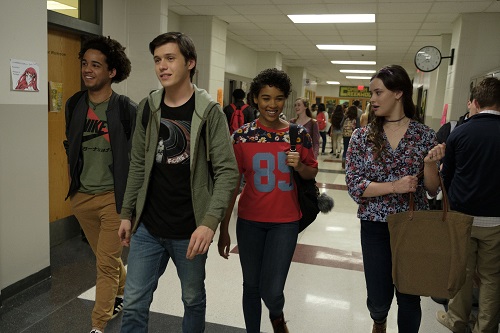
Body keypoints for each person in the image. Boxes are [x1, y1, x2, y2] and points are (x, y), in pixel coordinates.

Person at [117, 32, 239, 333]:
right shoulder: (148, 107)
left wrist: (210, 223)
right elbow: (138, 164)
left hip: (191, 229)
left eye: (170, 58)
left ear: (190, 63)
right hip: (148, 226)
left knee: (193, 300)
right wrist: (127, 212)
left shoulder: (209, 112)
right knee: (133, 303)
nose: (162, 66)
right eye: (158, 60)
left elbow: (227, 172)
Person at [345, 65, 444, 333]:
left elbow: (432, 190)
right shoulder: (362, 136)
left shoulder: (424, 135)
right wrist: (394, 186)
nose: (373, 100)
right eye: (372, 94)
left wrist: (431, 165)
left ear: (399, 93)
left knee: (409, 295)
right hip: (375, 225)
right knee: (378, 297)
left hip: (412, 224)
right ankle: (379, 319)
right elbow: (355, 185)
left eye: (379, 92)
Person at [217, 68, 318, 333]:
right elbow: (230, 185)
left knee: (272, 290)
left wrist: (299, 167)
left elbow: (311, 171)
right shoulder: (241, 136)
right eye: (265, 98)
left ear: (285, 99)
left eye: (278, 98)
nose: (272, 105)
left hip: (285, 223)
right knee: (250, 286)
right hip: (249, 222)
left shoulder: (298, 135)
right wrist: (224, 229)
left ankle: (276, 315)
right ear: (255, 99)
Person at [63, 35, 136, 333]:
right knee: (105, 256)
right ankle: (125, 288)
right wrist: (73, 187)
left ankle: (98, 325)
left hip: (111, 199)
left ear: (112, 72)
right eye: (84, 64)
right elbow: (71, 147)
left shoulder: (125, 109)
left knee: (105, 265)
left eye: (96, 64)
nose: (88, 70)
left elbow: (135, 159)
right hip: (82, 197)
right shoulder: (74, 104)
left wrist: (129, 208)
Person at [436, 77, 500, 333]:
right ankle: (485, 327)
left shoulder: (460, 132)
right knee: (492, 278)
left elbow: (446, 176)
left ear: (474, 102)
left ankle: (457, 320)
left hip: (462, 217)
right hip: (497, 220)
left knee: (461, 273)